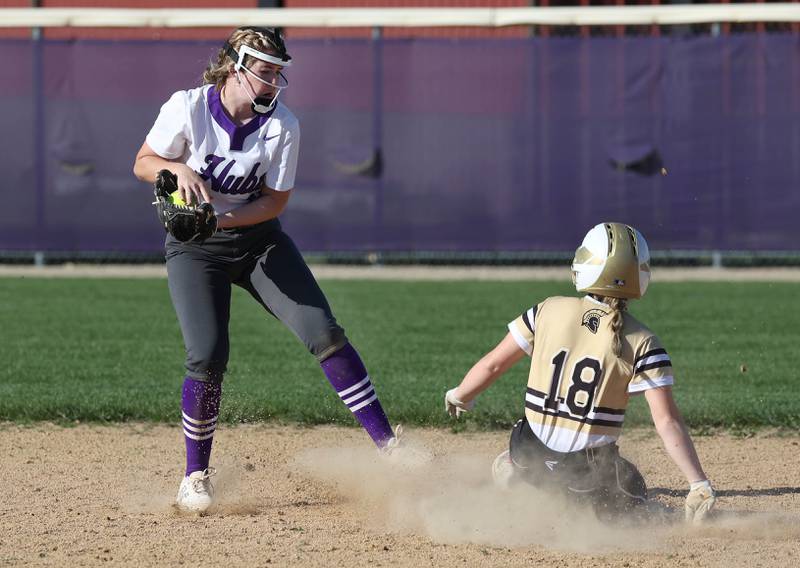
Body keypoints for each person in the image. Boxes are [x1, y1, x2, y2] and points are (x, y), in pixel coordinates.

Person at [133, 26, 401, 513]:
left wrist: (224, 217)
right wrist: (178, 171)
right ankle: (195, 475)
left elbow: (275, 202)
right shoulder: (189, 107)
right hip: (195, 248)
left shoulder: (284, 125)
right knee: (207, 355)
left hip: (257, 242)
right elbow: (143, 162)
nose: (273, 81)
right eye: (264, 70)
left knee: (323, 331)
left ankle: (391, 448)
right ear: (235, 68)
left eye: (277, 72)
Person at [443, 222, 716, 523]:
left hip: (527, 449)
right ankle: (613, 511)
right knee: (636, 494)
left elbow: (492, 365)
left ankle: (519, 475)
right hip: (587, 475)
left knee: (530, 453)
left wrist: (460, 395)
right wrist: (698, 483)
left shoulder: (546, 309)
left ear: (586, 265)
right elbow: (666, 421)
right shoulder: (643, 341)